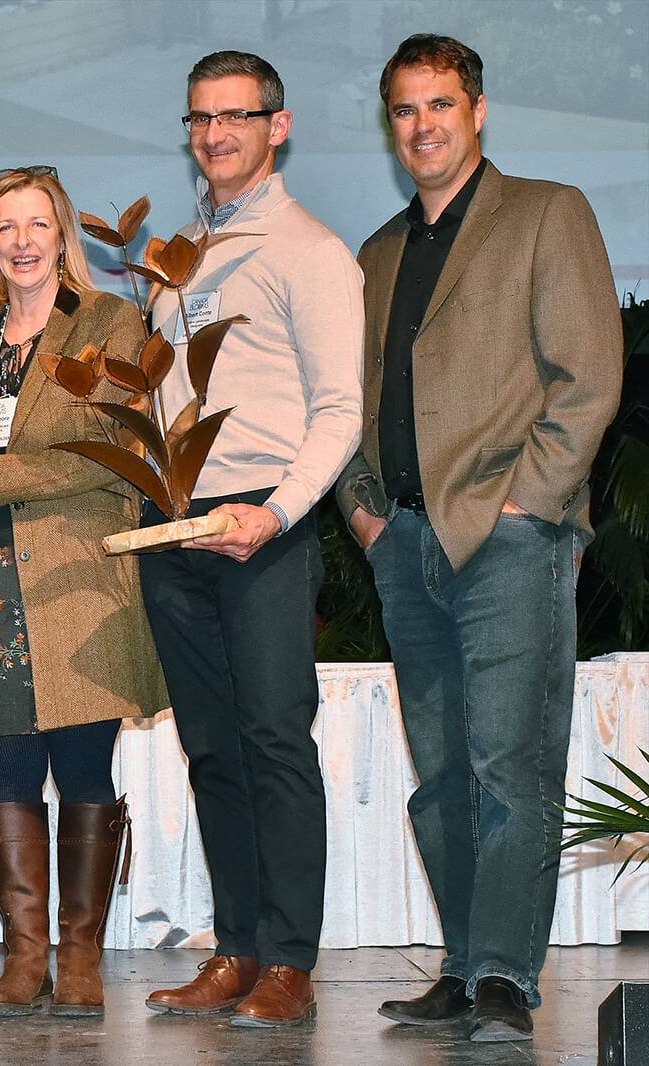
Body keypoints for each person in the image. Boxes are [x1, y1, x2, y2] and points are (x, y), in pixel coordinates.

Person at [337, 34, 621, 1044]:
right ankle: (461, 966)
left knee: (510, 766)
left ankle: (503, 973)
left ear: (477, 110)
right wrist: (367, 514)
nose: (422, 125)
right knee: (444, 775)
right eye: (405, 109)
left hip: (507, 540)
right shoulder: (375, 253)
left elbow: (586, 375)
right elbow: (352, 407)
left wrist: (525, 504)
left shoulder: (547, 212)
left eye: (440, 105)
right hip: (405, 546)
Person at [138, 51, 363, 1027]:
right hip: (176, 522)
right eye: (201, 117)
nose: (215, 132)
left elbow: (340, 409)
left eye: (236, 116)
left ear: (278, 126)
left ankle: (288, 960)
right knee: (211, 748)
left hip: (262, 520)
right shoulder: (179, 253)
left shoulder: (310, 249)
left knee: (273, 739)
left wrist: (276, 513)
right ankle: (233, 948)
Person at [0, 166, 168, 1018]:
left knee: (85, 767)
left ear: (62, 235)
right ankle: (26, 958)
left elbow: (119, 453)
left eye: (37, 226)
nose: (22, 243)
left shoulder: (109, 324)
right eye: (4, 229)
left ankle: (83, 958)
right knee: (9, 770)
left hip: (71, 580)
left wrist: (7, 472)